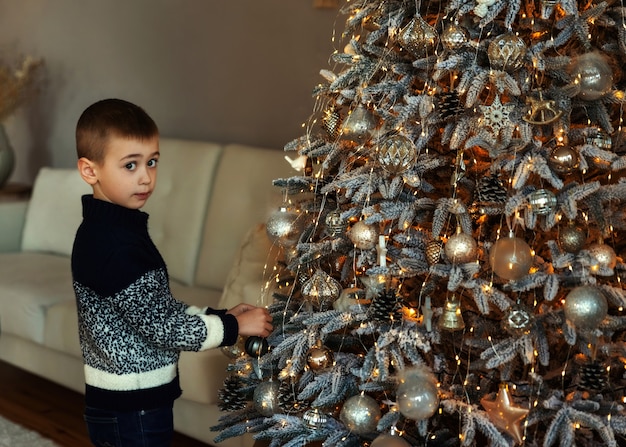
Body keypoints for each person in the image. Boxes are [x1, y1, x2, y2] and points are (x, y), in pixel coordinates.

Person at [71, 98, 273, 447]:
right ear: (90, 171)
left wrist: (220, 315)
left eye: (151, 162)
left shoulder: (114, 232)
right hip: (132, 410)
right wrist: (234, 327)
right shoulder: (114, 247)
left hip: (128, 404)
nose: (146, 176)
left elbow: (155, 310)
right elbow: (164, 328)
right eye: (130, 165)